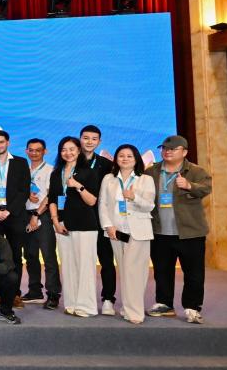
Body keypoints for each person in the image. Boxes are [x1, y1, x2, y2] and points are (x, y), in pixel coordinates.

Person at [145, 135, 213, 323]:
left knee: (194, 273)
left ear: (184, 152)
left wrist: (189, 185)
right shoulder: (151, 171)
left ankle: (192, 307)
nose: (167, 151)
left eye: (173, 149)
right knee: (162, 271)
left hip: (190, 232)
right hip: (159, 232)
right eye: (164, 148)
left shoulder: (196, 171)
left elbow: (206, 188)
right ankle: (164, 303)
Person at [98, 145, 155, 324]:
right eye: (121, 156)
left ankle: (134, 312)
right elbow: (103, 204)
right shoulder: (109, 178)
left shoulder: (145, 179)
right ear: (115, 159)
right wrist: (108, 226)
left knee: (135, 272)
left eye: (129, 156)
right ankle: (126, 307)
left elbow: (150, 206)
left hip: (138, 231)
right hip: (116, 232)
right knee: (125, 271)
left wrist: (134, 197)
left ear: (136, 159)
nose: (125, 159)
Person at [49, 136, 102, 317]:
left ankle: (87, 306)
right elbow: (52, 199)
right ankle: (71, 303)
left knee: (85, 266)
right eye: (64, 149)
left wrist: (78, 186)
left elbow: (92, 201)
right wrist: (56, 222)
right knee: (68, 266)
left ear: (79, 151)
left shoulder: (88, 172)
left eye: (72, 149)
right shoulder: (56, 173)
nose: (68, 153)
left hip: (84, 224)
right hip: (63, 224)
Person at [0, 130, 31, 310]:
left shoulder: (20, 162)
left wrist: (9, 211)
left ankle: (15, 294)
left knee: (15, 256)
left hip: (15, 215)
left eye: (1, 142)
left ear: (8, 143)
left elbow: (24, 190)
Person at [81, 125, 118, 315]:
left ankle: (108, 299)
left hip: (101, 220)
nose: (89, 142)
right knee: (82, 263)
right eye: (86, 138)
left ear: (99, 142)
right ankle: (83, 299)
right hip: (79, 221)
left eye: (94, 139)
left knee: (106, 261)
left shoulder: (106, 164)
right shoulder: (71, 160)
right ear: (80, 139)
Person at [23, 138, 61, 309]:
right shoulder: (23, 170)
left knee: (48, 256)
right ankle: (34, 291)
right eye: (31, 150)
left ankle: (53, 294)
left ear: (45, 151)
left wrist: (37, 214)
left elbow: (51, 196)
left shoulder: (51, 171)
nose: (34, 153)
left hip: (43, 216)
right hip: (25, 215)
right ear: (26, 151)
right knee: (30, 255)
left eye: (38, 150)